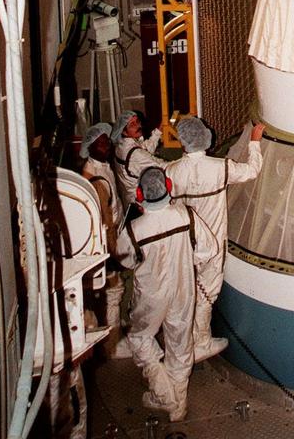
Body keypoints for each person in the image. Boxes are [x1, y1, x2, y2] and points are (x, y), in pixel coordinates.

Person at [115, 165, 209, 422]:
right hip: (183, 290)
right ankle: (178, 402)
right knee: (180, 343)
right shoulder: (185, 216)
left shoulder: (135, 230)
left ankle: (164, 394)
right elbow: (207, 250)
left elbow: (125, 261)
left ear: (140, 194)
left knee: (140, 338)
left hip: (150, 297)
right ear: (169, 188)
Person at [170, 115, 265, 362]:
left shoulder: (171, 171)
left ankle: (181, 342)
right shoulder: (219, 168)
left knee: (185, 291)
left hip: (183, 243)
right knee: (206, 295)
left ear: (182, 141)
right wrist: (254, 141)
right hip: (212, 243)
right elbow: (252, 170)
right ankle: (200, 343)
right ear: (206, 139)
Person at [79, 122, 124, 348]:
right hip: (105, 239)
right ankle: (112, 346)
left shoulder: (103, 166)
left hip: (113, 231)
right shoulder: (91, 176)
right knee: (114, 290)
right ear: (90, 146)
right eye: (100, 142)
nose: (106, 145)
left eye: (107, 140)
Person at [111, 109, 167, 208]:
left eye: (137, 122)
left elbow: (145, 148)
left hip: (129, 198)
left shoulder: (122, 144)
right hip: (139, 203)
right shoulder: (133, 153)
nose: (138, 126)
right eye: (132, 125)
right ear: (124, 131)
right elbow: (161, 166)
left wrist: (159, 130)